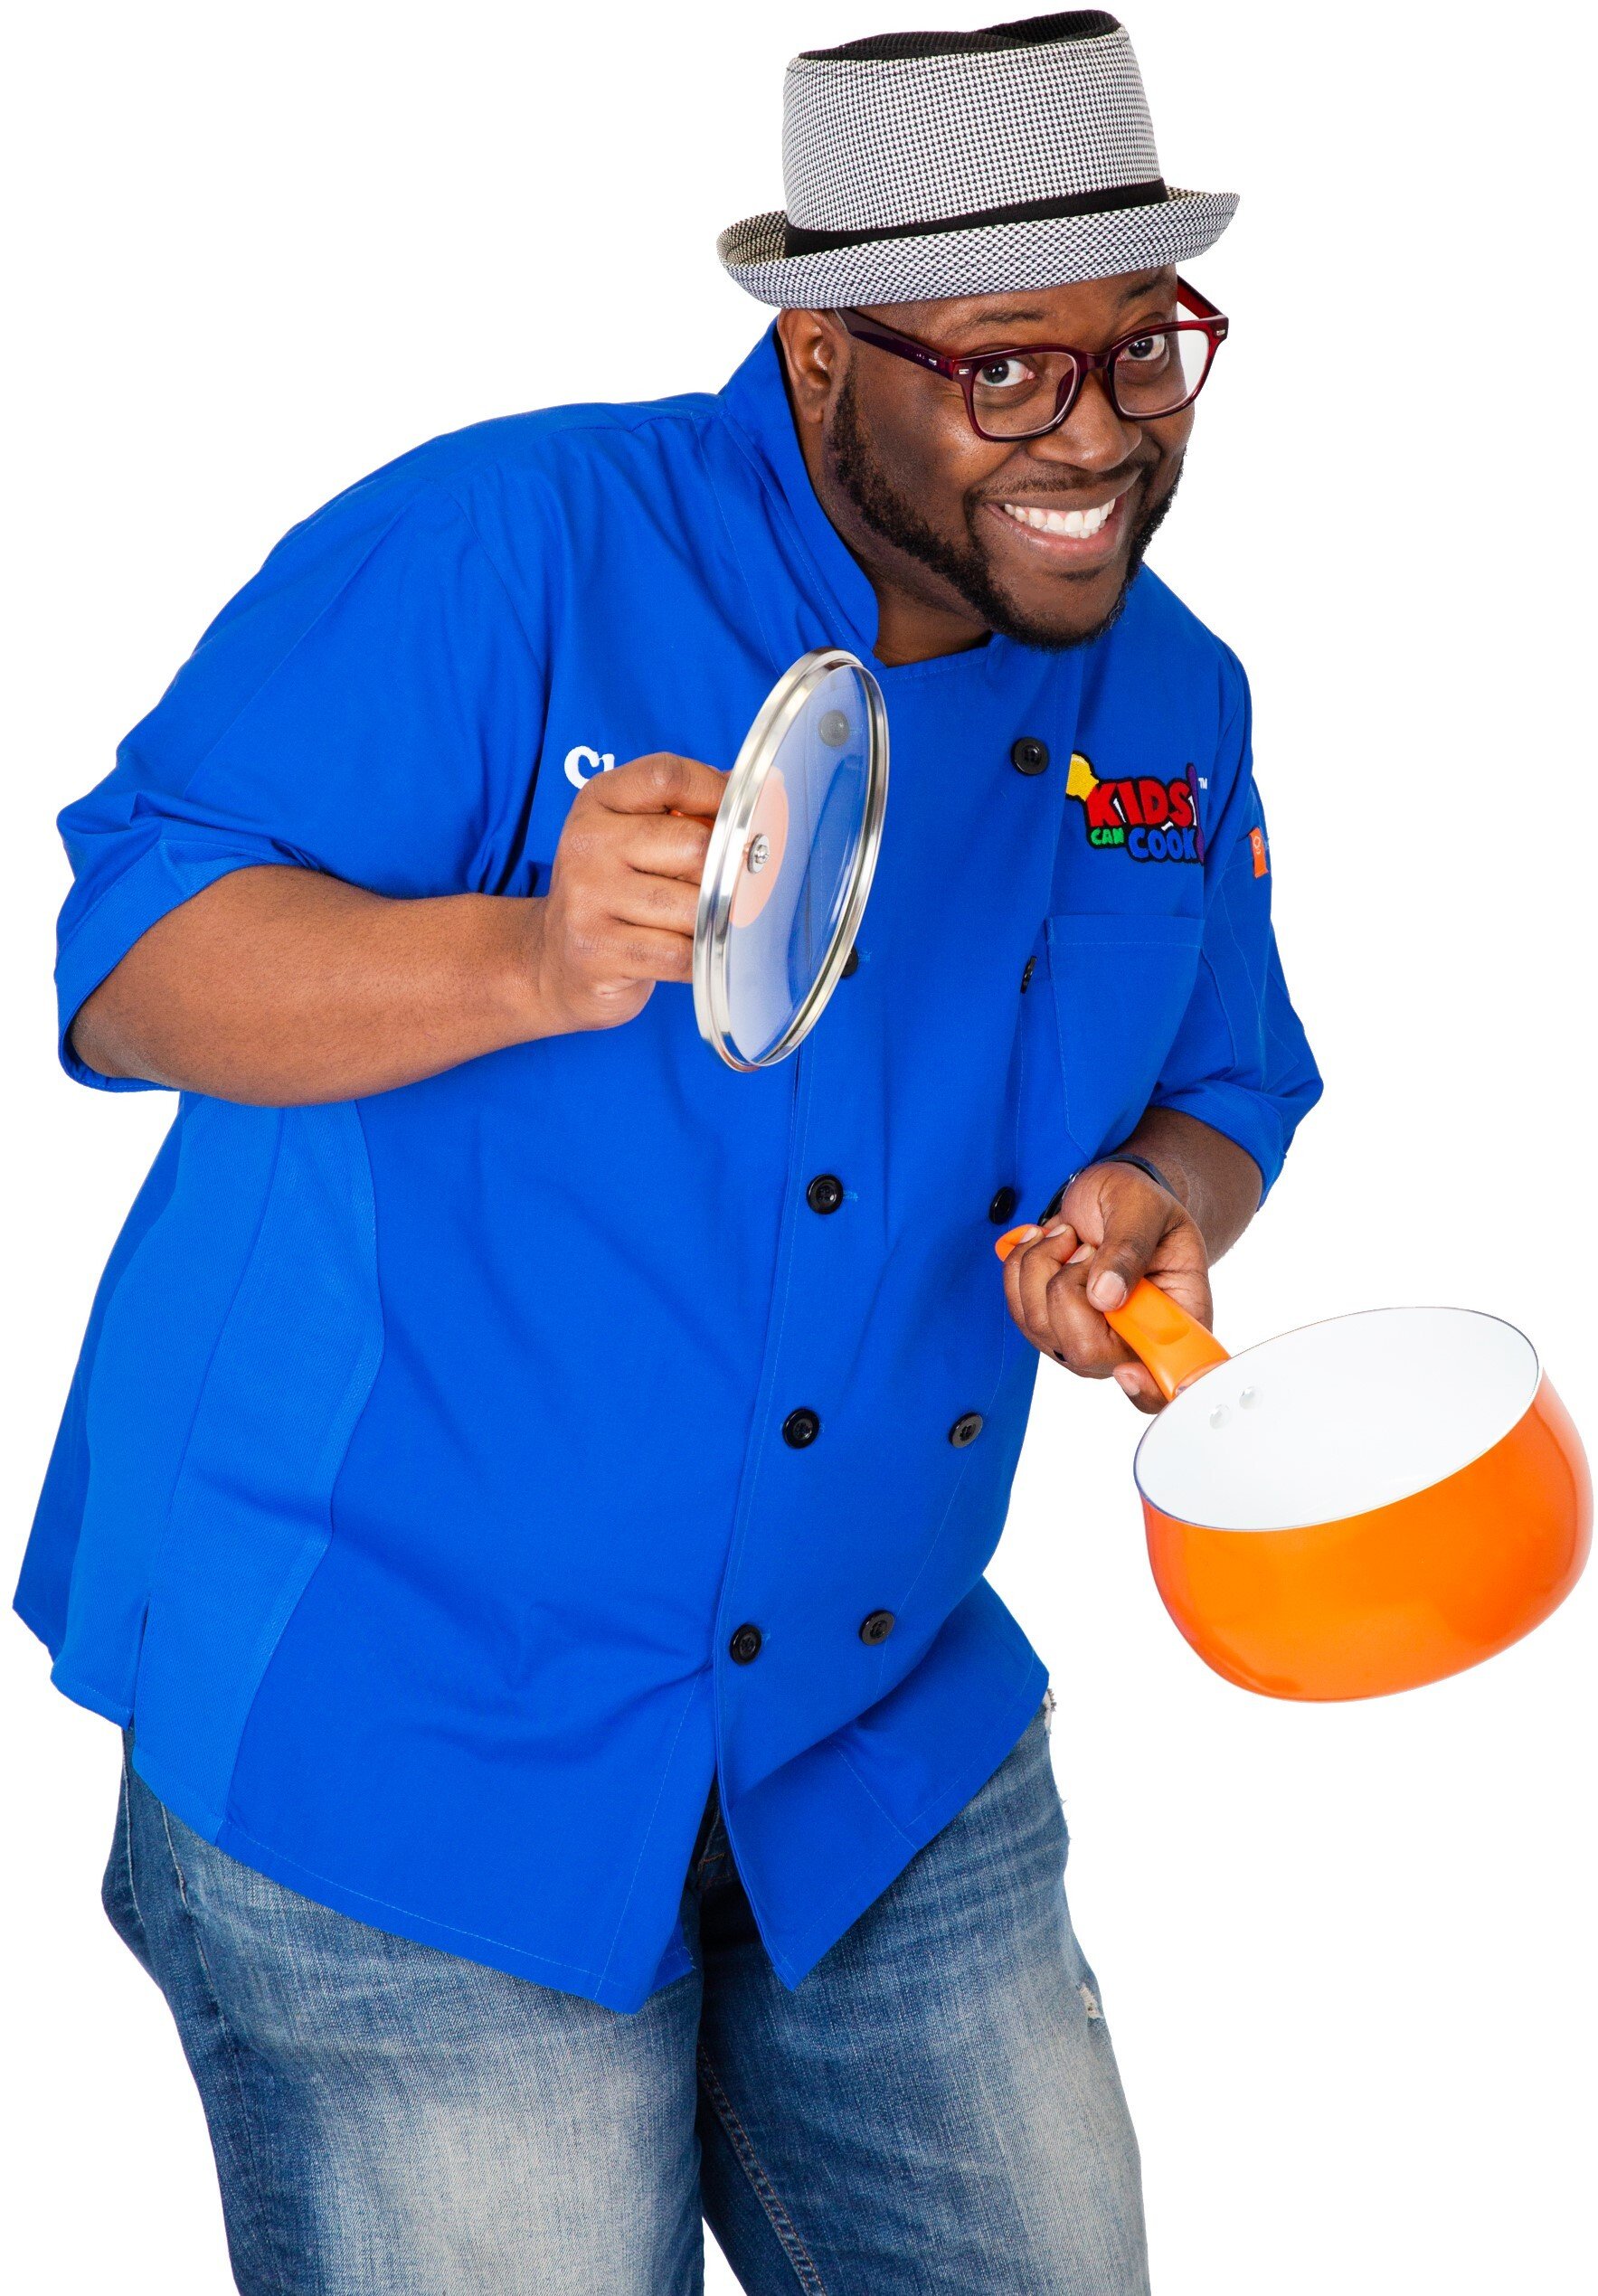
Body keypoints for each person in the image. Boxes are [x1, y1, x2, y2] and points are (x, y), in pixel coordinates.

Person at [16, 14, 1320, 2292]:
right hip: (416, 1725)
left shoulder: (1165, 700)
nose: (1097, 437)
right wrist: (527, 954)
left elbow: (1221, 1084)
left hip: (866, 1726)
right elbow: (129, 967)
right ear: (820, 354)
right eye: (1007, 369)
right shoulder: (507, 546)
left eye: (1142, 352)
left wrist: (1154, 1214)